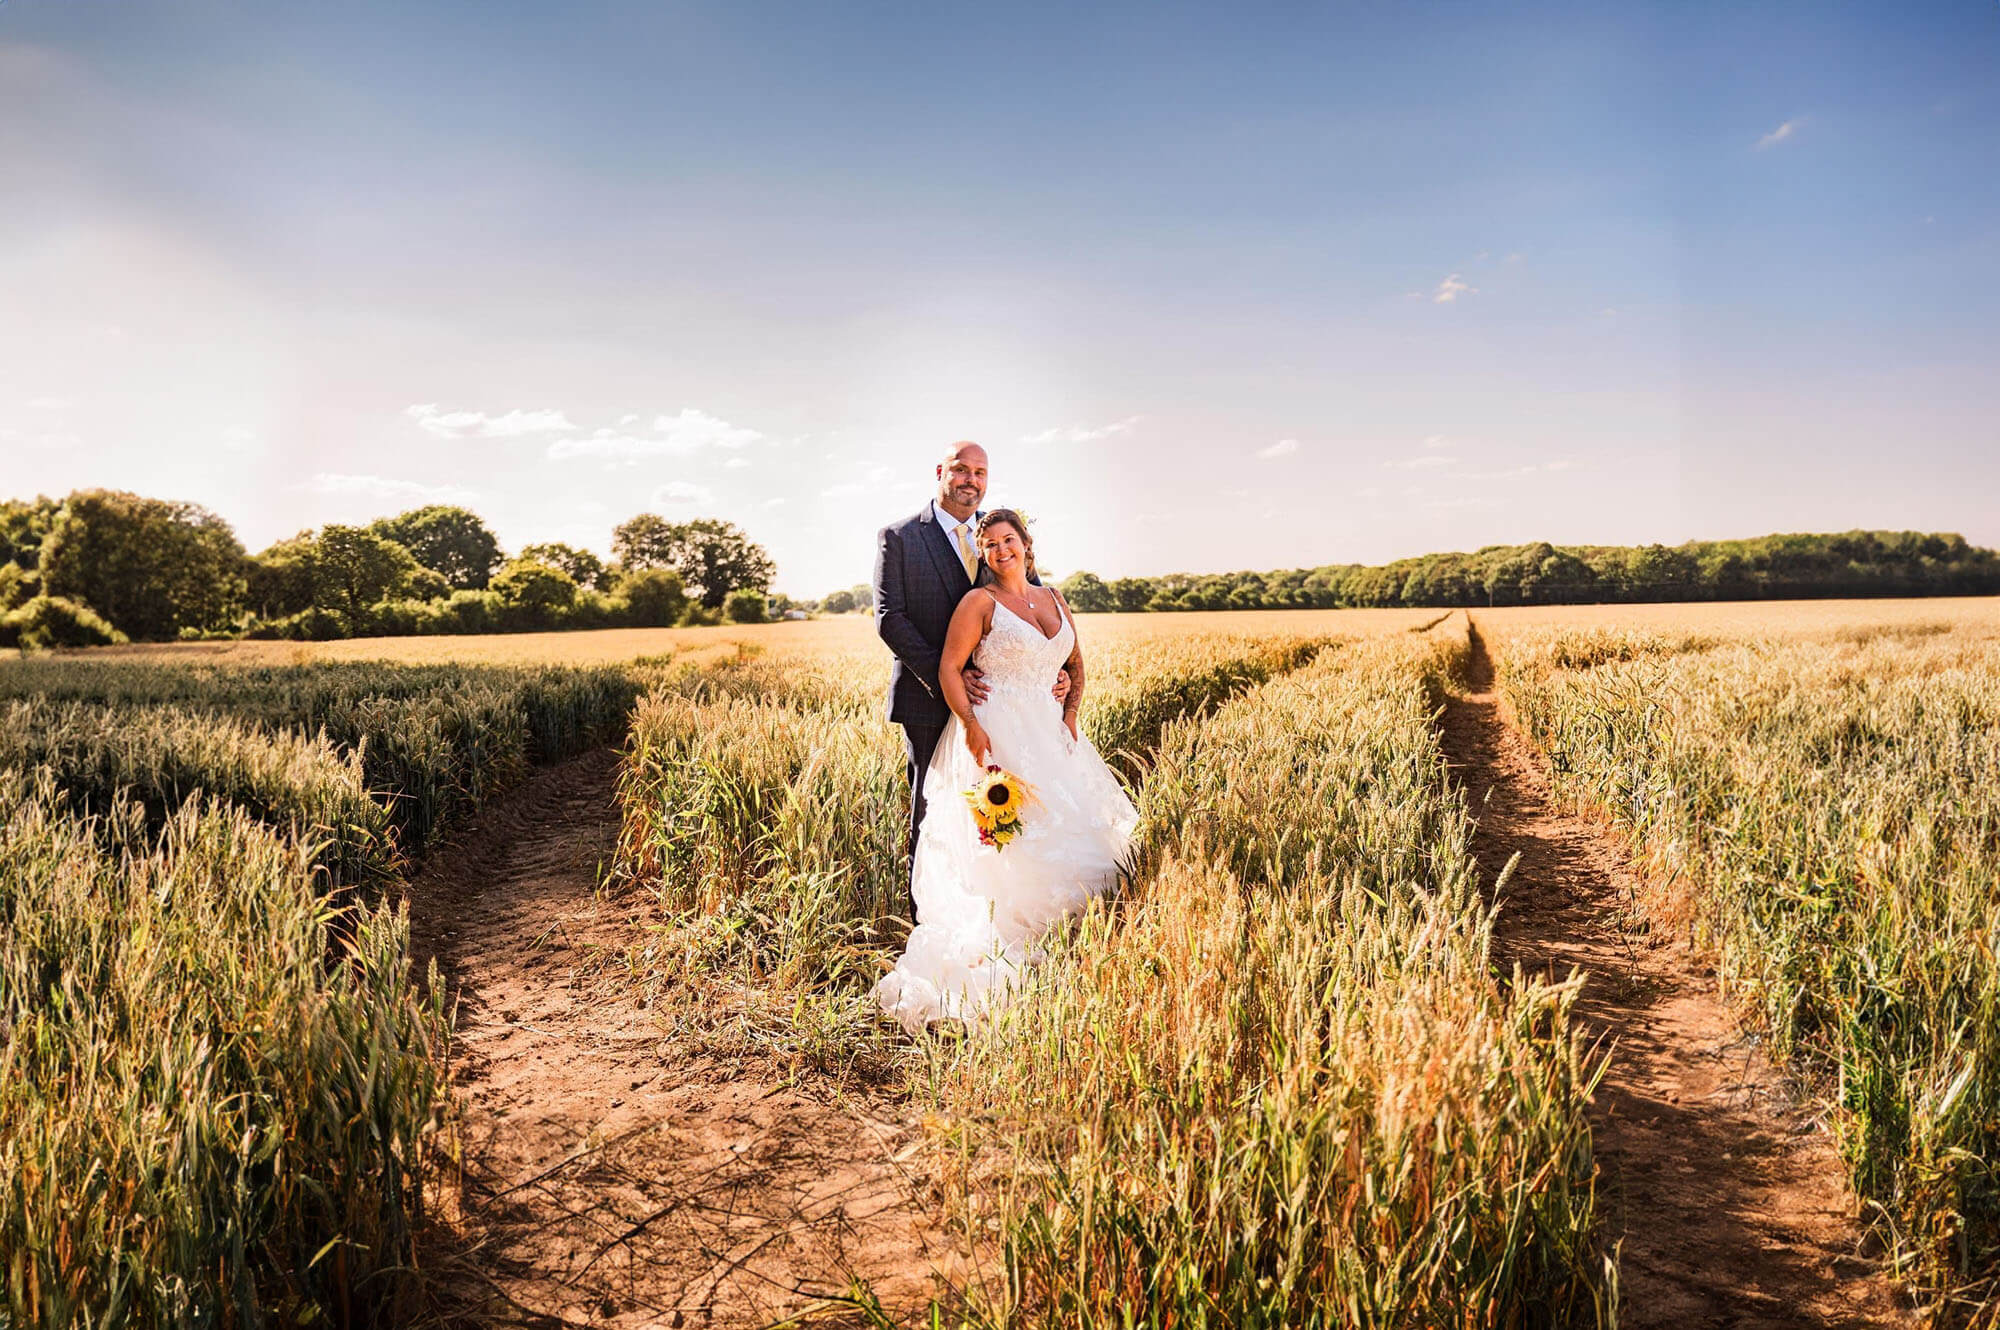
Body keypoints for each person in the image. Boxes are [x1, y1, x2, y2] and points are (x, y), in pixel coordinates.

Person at [874, 509, 1138, 1034]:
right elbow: (951, 667)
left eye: (1008, 539)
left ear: (1026, 543)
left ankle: (1084, 951)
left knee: (1080, 835)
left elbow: (1075, 665)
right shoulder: (978, 603)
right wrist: (971, 724)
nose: (1001, 549)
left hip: (1052, 735)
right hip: (998, 736)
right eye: (989, 543)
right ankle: (1007, 953)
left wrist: (1069, 710)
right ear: (982, 553)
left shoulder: (1054, 599)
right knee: (1008, 848)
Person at [872, 443, 1067, 917]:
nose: (971, 480)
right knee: (932, 807)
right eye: (961, 470)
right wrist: (952, 677)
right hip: (927, 696)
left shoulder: (997, 537)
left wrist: (1051, 670)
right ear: (941, 472)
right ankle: (930, 915)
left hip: (1006, 704)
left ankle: (1004, 906)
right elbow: (889, 618)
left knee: (1013, 800)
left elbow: (1028, 606)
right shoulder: (899, 536)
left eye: (980, 472)